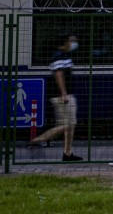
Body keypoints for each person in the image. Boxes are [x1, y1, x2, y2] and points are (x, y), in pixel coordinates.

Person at [30, 33, 82, 161]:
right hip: (62, 96)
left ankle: (67, 153)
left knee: (70, 125)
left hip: (65, 94)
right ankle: (37, 140)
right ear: (65, 42)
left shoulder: (64, 55)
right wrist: (63, 93)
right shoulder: (59, 56)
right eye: (71, 41)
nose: (73, 43)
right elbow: (59, 75)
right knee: (67, 124)